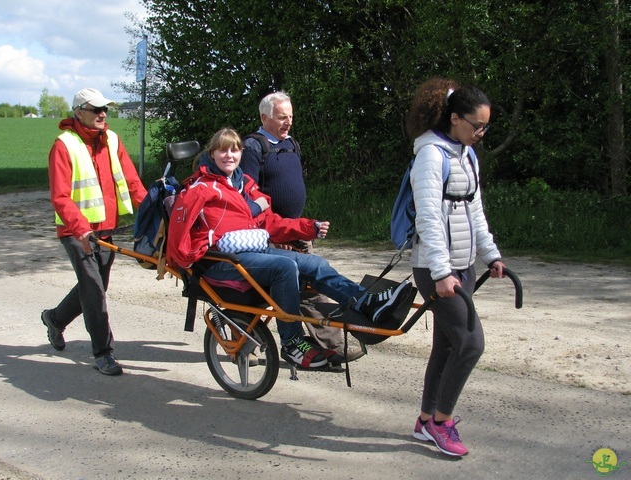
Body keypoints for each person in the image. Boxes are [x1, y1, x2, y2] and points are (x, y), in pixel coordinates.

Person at [168, 127, 412, 370]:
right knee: (285, 267)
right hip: (221, 263)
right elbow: (178, 231)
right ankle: (292, 342)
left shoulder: (245, 185)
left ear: (241, 153)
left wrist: (309, 228)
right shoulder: (199, 188)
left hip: (252, 254)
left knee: (313, 263)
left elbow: (271, 223)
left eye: (234, 149)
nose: (229, 155)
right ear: (212, 154)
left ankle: (364, 302)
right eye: (222, 150)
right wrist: (188, 262)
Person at [405, 78, 507, 456]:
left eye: (485, 126)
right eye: (475, 125)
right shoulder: (431, 155)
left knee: (447, 348)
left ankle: (425, 420)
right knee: (470, 343)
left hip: (460, 266)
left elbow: (474, 212)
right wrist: (441, 272)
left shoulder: (465, 153)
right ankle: (441, 423)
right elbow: (429, 219)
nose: (480, 133)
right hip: (436, 269)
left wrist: (491, 255)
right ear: (454, 118)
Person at [239, 91, 365, 365]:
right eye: (282, 117)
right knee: (258, 296)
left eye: (291, 117)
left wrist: (306, 227)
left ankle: (335, 345)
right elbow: (248, 197)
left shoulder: (291, 144)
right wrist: (275, 234)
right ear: (265, 117)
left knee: (311, 289)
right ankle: (243, 346)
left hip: (296, 231)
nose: (288, 122)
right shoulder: (253, 147)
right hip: (269, 236)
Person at [41, 88, 148, 376]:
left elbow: (132, 182)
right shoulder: (64, 145)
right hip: (76, 233)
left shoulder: (111, 140)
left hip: (105, 229)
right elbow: (60, 197)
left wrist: (154, 212)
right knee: (94, 291)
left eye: (105, 110)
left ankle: (54, 318)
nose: (102, 114)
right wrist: (81, 229)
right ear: (78, 112)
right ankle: (103, 353)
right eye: (95, 109)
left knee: (95, 287)